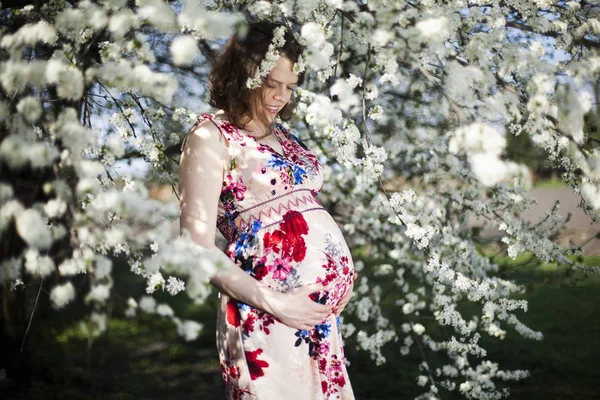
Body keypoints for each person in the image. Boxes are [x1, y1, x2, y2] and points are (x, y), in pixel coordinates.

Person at [179, 21, 356, 399]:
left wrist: (339, 278)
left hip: (316, 321)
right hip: (265, 312)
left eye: (290, 87)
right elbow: (195, 245)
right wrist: (278, 303)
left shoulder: (286, 137)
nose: (281, 97)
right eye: (271, 83)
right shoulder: (210, 136)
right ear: (244, 75)